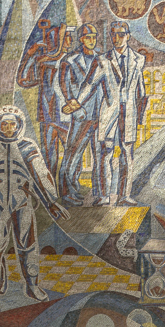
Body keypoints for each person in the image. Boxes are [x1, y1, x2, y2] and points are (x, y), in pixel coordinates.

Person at [0, 107, 68, 311]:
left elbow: (41, 175)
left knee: (28, 244)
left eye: (12, 124)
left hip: (22, 202)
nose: (8, 129)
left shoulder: (27, 146)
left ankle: (32, 285)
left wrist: (51, 201)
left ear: (19, 125)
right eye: (4, 125)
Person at [57, 23, 109, 206]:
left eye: (94, 37)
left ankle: (99, 192)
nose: (92, 40)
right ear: (81, 39)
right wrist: (75, 108)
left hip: (100, 114)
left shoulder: (102, 60)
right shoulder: (70, 60)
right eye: (88, 37)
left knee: (99, 154)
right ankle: (67, 191)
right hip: (81, 114)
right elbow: (65, 86)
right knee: (73, 153)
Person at [16, 20, 69, 176]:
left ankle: (68, 192)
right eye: (66, 37)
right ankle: (49, 191)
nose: (70, 41)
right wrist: (31, 54)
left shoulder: (72, 59)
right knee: (49, 159)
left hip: (67, 117)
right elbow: (24, 80)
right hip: (48, 116)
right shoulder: (43, 63)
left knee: (71, 157)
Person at [102, 21, 147, 205]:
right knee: (106, 152)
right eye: (113, 34)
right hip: (109, 112)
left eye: (121, 34)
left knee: (128, 154)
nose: (117, 38)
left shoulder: (138, 59)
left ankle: (125, 195)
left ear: (128, 36)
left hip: (128, 113)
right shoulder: (103, 59)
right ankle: (106, 195)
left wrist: (140, 116)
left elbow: (141, 90)